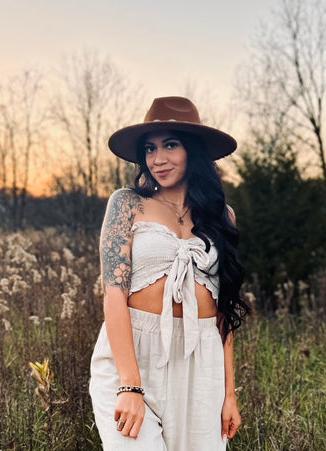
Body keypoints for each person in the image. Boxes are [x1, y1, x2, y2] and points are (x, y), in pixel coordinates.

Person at [89, 96, 248, 450]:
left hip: (200, 360)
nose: (157, 159)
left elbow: (224, 313)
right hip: (134, 355)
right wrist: (130, 385)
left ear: (193, 150)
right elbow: (113, 295)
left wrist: (229, 393)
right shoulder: (127, 204)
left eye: (170, 145)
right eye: (150, 148)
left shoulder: (223, 217)